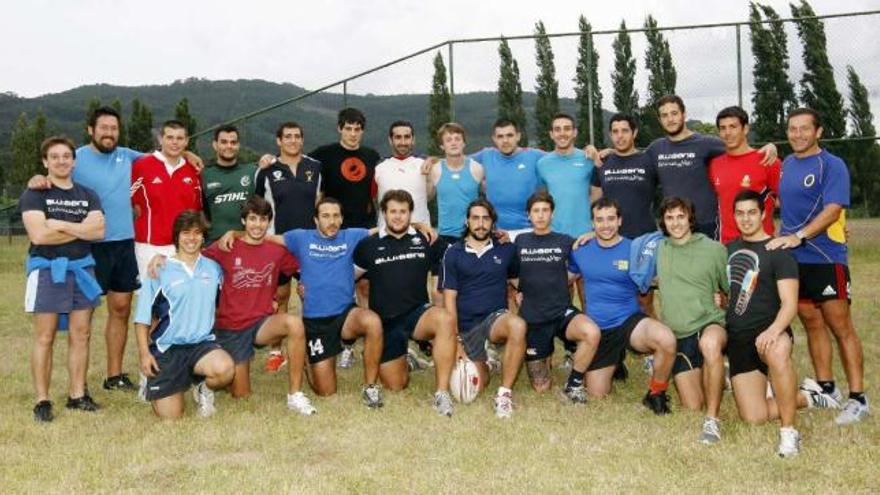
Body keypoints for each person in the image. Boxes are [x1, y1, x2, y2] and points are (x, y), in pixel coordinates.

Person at [148, 197, 316, 414]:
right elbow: (190, 255)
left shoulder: (276, 251)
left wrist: (307, 284)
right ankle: (203, 383)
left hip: (261, 323)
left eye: (263, 219)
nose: (258, 224)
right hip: (231, 329)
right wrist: (163, 258)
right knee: (241, 395)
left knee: (294, 324)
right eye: (252, 219)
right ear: (243, 221)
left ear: (269, 222)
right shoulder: (225, 247)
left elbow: (304, 268)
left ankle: (295, 395)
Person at [223, 197, 386, 408]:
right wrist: (235, 233)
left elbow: (382, 229)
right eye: (326, 216)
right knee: (326, 391)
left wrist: (418, 224)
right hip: (316, 321)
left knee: (372, 321)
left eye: (336, 216)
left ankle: (370, 387)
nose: (332, 221)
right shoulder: (300, 237)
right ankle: (309, 359)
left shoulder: (351, 235)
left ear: (342, 218)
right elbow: (265, 237)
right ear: (316, 220)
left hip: (346, 314)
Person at [767, 108, 868, 425]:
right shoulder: (785, 166)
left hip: (825, 258)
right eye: (792, 129)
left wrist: (798, 236)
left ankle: (858, 398)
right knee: (810, 321)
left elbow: (833, 209)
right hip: (795, 261)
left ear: (819, 131)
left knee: (841, 326)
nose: (797, 134)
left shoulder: (832, 165)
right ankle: (827, 387)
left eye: (804, 129)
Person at [726, 190, 840, 458]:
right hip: (739, 339)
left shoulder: (780, 251)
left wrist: (773, 331)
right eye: (740, 213)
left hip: (771, 330)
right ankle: (808, 396)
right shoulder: (728, 250)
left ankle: (789, 433)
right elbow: (727, 292)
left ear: (763, 214)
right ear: (734, 216)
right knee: (754, 417)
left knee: (776, 351)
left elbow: (789, 304)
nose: (746, 219)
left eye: (752, 212)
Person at [21, 136, 106, 422]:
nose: (61, 161)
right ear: (45, 162)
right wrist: (81, 228)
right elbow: (39, 235)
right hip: (47, 269)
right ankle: (42, 400)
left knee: (81, 334)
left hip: (82, 268)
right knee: (45, 337)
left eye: (66, 156)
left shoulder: (88, 194)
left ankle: (77, 395)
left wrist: (61, 224)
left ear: (74, 160)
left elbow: (99, 232)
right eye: (54, 156)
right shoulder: (35, 194)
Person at [568, 197, 677, 414]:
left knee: (666, 339)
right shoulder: (581, 249)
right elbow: (565, 278)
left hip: (629, 321)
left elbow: (657, 277)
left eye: (611, 219)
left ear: (620, 221)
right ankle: (616, 361)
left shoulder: (635, 249)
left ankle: (656, 393)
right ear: (592, 223)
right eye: (600, 220)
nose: (605, 225)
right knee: (597, 394)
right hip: (599, 330)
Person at [353, 190, 458, 416]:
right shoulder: (368, 245)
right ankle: (406, 359)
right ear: (384, 213)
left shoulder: (426, 239)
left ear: (411, 214)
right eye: (393, 211)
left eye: (403, 211)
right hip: (385, 323)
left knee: (445, 319)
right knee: (396, 385)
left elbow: (459, 256)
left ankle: (442, 393)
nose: (398, 217)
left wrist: (497, 242)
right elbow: (348, 277)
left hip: (417, 314)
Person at [134, 211, 234, 420]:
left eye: (197, 233)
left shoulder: (214, 269)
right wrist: (145, 354)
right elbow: (142, 319)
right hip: (167, 348)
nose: (191, 238)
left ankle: (203, 389)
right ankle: (150, 378)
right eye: (186, 232)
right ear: (177, 236)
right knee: (172, 418)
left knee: (225, 369)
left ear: (203, 237)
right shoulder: (159, 270)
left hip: (201, 345)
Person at [440, 199, 526, 418]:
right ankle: (489, 361)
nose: (480, 224)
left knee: (517, 325)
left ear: (493, 222)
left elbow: (519, 283)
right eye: (475, 218)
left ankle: (504, 395)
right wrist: (455, 339)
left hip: (494, 319)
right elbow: (449, 299)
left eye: (485, 218)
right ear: (467, 221)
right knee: (471, 388)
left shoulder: (506, 249)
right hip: (467, 328)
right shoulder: (453, 253)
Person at [514, 191, 601, 404]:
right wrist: (521, 289)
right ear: (529, 215)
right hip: (533, 317)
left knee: (591, 332)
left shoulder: (565, 241)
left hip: (561, 311)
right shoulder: (520, 241)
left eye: (545, 210)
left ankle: (573, 384)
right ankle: (545, 355)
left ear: (552, 214)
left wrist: (592, 234)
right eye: (536, 211)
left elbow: (585, 256)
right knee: (542, 387)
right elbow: (510, 272)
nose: (541, 215)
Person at [655, 197, 729, 442]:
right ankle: (719, 373)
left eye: (680, 216)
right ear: (663, 222)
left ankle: (712, 422)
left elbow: (730, 289)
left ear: (690, 218)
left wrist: (722, 301)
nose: (675, 223)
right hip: (679, 335)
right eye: (669, 217)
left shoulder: (714, 249)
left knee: (709, 345)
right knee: (692, 405)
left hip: (709, 324)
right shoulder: (659, 249)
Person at [255, 121, 322, 372]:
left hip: (307, 244)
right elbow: (259, 209)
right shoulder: (267, 170)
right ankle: (275, 351)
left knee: (309, 295)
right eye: (288, 137)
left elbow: (320, 202)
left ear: (302, 140)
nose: (293, 140)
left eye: (297, 136)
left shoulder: (314, 167)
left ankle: (312, 346)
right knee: (279, 296)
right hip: (278, 244)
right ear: (278, 141)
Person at [130, 120, 203, 282]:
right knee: (153, 300)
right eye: (170, 137)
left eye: (179, 138)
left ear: (186, 141)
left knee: (183, 300)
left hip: (185, 246)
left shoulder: (194, 170)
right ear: (160, 139)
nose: (175, 142)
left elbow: (197, 210)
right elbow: (130, 202)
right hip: (150, 247)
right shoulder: (141, 166)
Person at [428, 122, 485, 303]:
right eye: (448, 139)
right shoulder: (436, 170)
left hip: (471, 237)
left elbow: (488, 200)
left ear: (464, 143)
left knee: (470, 286)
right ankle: (440, 328)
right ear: (442, 145)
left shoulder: (476, 168)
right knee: (439, 291)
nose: (453, 143)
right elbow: (427, 197)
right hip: (445, 236)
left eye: (457, 139)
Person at [709, 106, 781, 244]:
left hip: (761, 246)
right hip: (726, 246)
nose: (727, 132)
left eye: (733, 126)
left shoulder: (768, 161)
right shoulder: (715, 164)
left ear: (745, 129)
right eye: (723, 128)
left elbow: (785, 202)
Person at [470, 119, 545, 239]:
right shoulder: (486, 155)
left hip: (528, 232)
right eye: (500, 136)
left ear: (518, 136)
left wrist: (586, 151)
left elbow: (562, 157)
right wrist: (433, 160)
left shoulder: (534, 156)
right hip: (495, 233)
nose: (505, 140)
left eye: (510, 135)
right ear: (494, 139)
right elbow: (456, 162)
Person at [309, 108, 380, 229]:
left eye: (357, 129)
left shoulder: (372, 155)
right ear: (339, 128)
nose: (353, 134)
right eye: (348, 128)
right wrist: (272, 158)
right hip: (334, 225)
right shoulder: (323, 154)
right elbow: (296, 160)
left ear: (362, 131)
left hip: (365, 225)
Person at [593, 113, 658, 239]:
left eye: (625, 131)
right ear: (610, 135)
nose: (620, 136)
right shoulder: (602, 163)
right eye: (615, 131)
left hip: (645, 238)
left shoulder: (649, 161)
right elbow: (596, 203)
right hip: (611, 238)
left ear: (634, 133)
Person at [535, 113, 601, 238]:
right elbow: (542, 199)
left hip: (585, 234)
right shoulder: (542, 164)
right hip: (554, 234)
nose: (562, 133)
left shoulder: (588, 158)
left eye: (567, 128)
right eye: (557, 129)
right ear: (551, 134)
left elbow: (597, 194)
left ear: (575, 132)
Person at [201, 124, 258, 244]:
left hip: (246, 241)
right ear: (215, 145)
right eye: (224, 142)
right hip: (214, 244)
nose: (229, 146)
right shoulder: (203, 174)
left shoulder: (252, 171)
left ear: (238, 145)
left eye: (233, 142)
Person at [374, 121, 431, 232]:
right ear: (390, 140)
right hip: (386, 235)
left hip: (420, 234)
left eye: (407, 137)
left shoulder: (424, 164)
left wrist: (433, 159)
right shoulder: (378, 168)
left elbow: (448, 161)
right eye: (398, 137)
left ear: (413, 140)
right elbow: (374, 200)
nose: (403, 142)